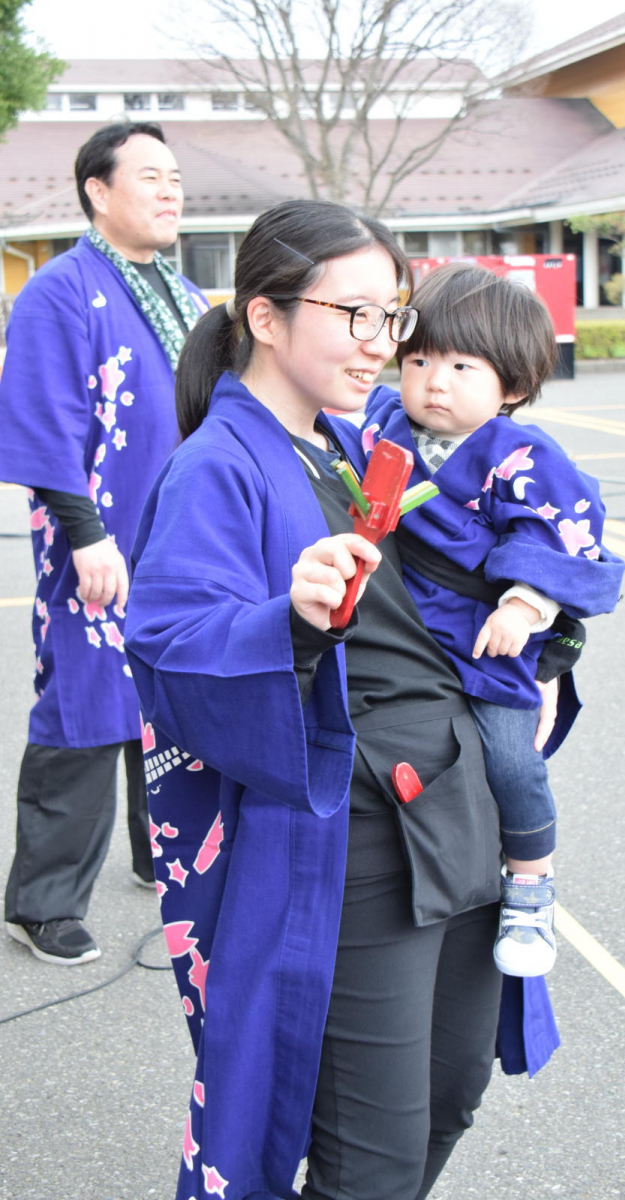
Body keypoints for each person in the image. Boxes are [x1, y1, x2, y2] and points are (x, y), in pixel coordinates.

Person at [124, 200, 561, 1200]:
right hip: (352, 837)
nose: (379, 345)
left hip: (452, 807)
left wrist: (541, 641)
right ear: (264, 316)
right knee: (369, 1159)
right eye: (350, 314)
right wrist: (281, 615)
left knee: (448, 1100)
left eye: (390, 315)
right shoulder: (216, 465)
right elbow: (169, 646)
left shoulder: (334, 439)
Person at [359, 264, 625, 978]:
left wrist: (523, 604)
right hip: (396, 635)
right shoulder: (380, 424)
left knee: (511, 759)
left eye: (459, 365)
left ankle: (531, 882)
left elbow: (560, 536)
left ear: (509, 385)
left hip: (484, 647)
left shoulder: (526, 459)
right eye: (418, 359)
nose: (432, 381)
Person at [0, 121, 207, 966]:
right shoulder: (57, 289)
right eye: (150, 175)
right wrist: (83, 534)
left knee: (173, 693)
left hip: (178, 536)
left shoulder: (187, 296)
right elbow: (44, 418)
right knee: (87, 707)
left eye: (176, 177)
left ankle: (158, 848)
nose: (170, 190)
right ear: (98, 189)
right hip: (97, 535)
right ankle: (43, 901)